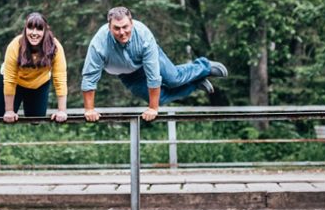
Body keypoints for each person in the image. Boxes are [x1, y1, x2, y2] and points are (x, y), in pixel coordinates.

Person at [81, 6, 227, 123]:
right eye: (117, 28)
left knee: (173, 79)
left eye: (125, 27)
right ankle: (195, 84)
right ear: (109, 27)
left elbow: (153, 77)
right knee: (160, 99)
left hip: (148, 59)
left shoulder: (144, 36)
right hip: (127, 74)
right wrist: (89, 110)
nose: (122, 32)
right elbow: (89, 77)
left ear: (132, 23)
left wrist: (152, 109)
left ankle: (204, 66)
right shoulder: (99, 43)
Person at [0, 12, 67, 122]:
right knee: (1, 114)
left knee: (35, 119)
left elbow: (60, 78)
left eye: (39, 29)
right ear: (25, 29)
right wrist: (9, 111)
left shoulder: (55, 47)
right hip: (16, 81)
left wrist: (62, 110)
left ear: (45, 31)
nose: (34, 33)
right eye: (30, 28)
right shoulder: (15, 46)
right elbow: (10, 79)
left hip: (39, 83)